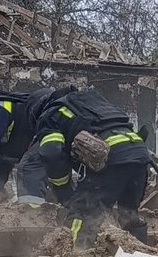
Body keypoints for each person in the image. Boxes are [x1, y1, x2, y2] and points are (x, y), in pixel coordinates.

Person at [36, 88, 151, 246]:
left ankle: (76, 254)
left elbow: (52, 152)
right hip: (139, 154)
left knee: (82, 213)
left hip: (109, 157)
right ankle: (141, 254)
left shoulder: (51, 114)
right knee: (129, 214)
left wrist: (63, 189)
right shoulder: (93, 102)